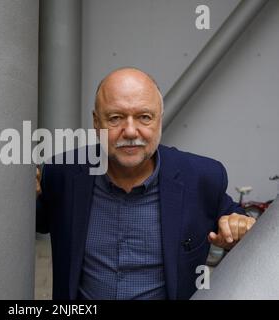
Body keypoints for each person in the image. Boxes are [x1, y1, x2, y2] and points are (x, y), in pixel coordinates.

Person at [36, 67, 256, 300]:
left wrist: (240, 227)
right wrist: (23, 196)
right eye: (115, 118)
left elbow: (238, 225)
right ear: (96, 122)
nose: (130, 131)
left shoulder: (202, 178)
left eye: (144, 117)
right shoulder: (62, 174)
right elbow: (36, 221)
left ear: (159, 120)